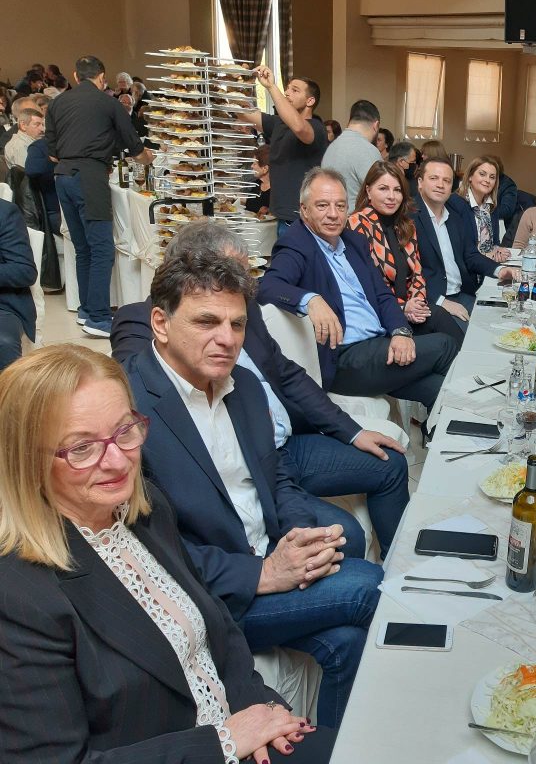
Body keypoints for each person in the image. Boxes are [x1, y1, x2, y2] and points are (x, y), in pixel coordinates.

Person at [0, 345, 332, 763]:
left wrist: (262, 709)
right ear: (26, 460)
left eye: (125, 431)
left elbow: (218, 627)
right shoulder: (18, 593)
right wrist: (224, 742)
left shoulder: (144, 510)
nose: (118, 461)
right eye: (82, 448)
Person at [122, 247, 383, 726]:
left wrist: (299, 536)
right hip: (207, 598)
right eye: (207, 322)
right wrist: (262, 574)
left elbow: (276, 477)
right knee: (372, 586)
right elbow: (143, 551)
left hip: (265, 555)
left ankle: (333, 749)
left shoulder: (241, 383)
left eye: (237, 324)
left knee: (347, 639)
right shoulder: (129, 409)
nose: (227, 339)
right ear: (160, 323)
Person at [110, 220, 410, 559]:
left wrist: (353, 432)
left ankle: (398, 565)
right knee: (347, 537)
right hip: (238, 460)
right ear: (194, 269)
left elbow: (288, 375)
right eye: (229, 272)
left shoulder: (244, 310)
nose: (242, 287)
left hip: (282, 447)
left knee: (390, 464)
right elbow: (135, 383)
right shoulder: (140, 319)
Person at [257, 167, 457, 408]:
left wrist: (400, 331)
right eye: (322, 206)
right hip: (344, 359)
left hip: (377, 346)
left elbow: (382, 295)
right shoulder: (296, 243)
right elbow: (268, 285)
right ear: (304, 209)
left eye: (340, 206)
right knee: (445, 345)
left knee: (440, 390)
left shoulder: (353, 241)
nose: (333, 214)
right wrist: (311, 300)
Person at [46, 55, 155, 337]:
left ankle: (86, 310)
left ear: (75, 75)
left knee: (83, 248)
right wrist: (148, 159)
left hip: (62, 176)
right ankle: (98, 317)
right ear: (102, 78)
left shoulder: (57, 103)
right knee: (102, 249)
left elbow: (52, 153)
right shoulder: (108, 103)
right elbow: (134, 147)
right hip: (90, 177)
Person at [347, 160, 464, 345]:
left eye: (397, 190)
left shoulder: (405, 224)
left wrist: (417, 302)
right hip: (381, 315)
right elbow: (367, 284)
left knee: (442, 321)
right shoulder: (357, 224)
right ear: (368, 191)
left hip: (409, 311)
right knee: (444, 338)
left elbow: (417, 273)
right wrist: (403, 307)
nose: (391, 196)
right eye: (383, 189)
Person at [415, 156, 517, 329]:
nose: (440, 185)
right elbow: (408, 274)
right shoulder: (410, 219)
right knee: (475, 334)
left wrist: (500, 270)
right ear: (420, 182)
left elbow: (470, 254)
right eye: (434, 178)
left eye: (446, 181)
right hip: (433, 300)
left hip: (462, 293)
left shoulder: (453, 218)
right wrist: (440, 301)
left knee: (503, 322)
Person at [235, 68, 327, 235]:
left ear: (310, 101)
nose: (287, 93)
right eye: (287, 89)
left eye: (295, 90)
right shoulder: (278, 124)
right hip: (280, 214)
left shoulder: (316, 127)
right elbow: (242, 113)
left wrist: (271, 87)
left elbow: (299, 127)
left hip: (302, 218)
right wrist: (234, 84)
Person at [321, 99, 382, 213]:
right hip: (356, 219)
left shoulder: (331, 148)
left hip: (331, 216)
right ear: (376, 125)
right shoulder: (369, 151)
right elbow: (381, 196)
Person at [0, 199, 37, 371]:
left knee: (3, 342)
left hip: (3, 303)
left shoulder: (5, 212)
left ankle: (9, 388)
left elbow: (24, 270)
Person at [457, 155, 512, 263]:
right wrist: (487, 255)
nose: (487, 180)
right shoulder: (456, 203)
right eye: (482, 174)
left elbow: (495, 243)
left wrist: (498, 251)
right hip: (467, 267)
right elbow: (460, 248)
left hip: (487, 265)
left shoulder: (492, 207)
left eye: (492, 177)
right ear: (470, 176)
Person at [245, 143, 272, 217]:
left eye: (254, 164)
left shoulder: (276, 191)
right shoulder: (256, 184)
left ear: (265, 169)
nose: (251, 166)